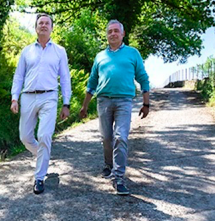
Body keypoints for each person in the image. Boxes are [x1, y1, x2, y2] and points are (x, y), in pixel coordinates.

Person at [79, 19, 150, 196]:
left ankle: (118, 178)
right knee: (106, 138)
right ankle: (109, 165)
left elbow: (143, 78)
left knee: (121, 137)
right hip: (103, 101)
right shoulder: (100, 56)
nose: (113, 34)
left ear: (123, 34)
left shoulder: (133, 53)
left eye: (116, 31)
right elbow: (92, 82)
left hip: (124, 101)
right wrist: (84, 106)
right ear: (106, 35)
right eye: (110, 31)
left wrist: (146, 102)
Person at [11, 13, 71, 195]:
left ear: (52, 28)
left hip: (49, 97)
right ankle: (42, 156)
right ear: (36, 28)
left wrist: (66, 103)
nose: (44, 25)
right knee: (25, 137)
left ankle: (39, 178)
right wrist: (14, 97)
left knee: (45, 135)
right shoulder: (26, 51)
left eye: (47, 23)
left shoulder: (59, 51)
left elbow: (65, 78)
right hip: (28, 96)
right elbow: (19, 75)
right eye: (40, 23)